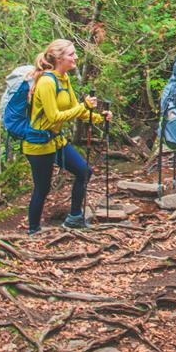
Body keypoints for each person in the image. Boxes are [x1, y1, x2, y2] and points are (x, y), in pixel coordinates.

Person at [24, 39, 111, 234]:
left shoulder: (64, 79)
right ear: (58, 58)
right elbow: (53, 116)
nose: (76, 57)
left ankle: (74, 218)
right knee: (42, 187)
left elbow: (75, 110)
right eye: (71, 54)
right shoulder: (47, 81)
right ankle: (33, 230)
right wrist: (84, 107)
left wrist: (99, 118)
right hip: (39, 144)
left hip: (56, 140)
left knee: (83, 171)